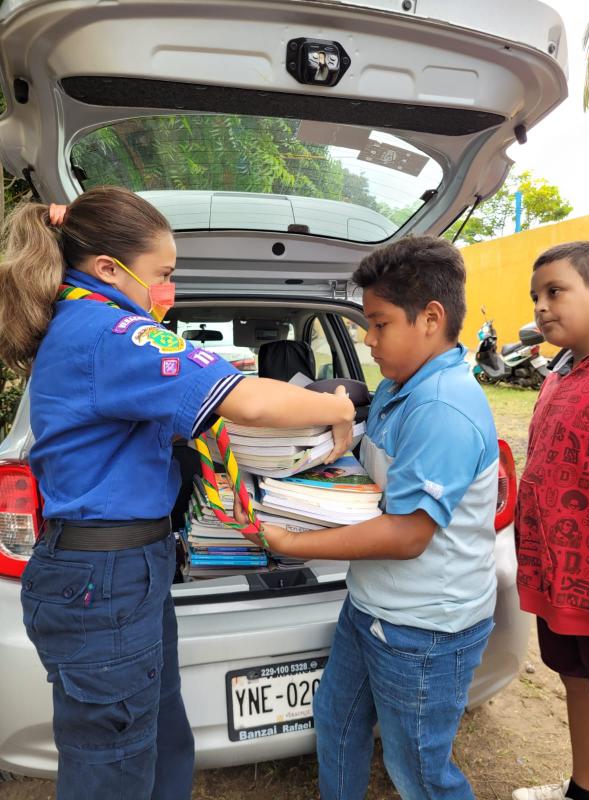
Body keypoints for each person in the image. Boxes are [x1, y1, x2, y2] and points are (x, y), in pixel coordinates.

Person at [0, 186, 355, 800]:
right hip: (105, 578)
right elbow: (248, 400)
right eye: (163, 274)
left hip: (122, 571)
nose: (169, 288)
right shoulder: (114, 332)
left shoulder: (86, 324)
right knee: (113, 765)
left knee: (158, 736)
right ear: (108, 269)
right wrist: (337, 406)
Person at [237, 235, 500, 799]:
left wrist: (292, 542)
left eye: (379, 325)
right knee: (337, 722)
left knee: (420, 774)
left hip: (424, 630)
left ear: (431, 319)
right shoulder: (401, 387)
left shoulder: (442, 408)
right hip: (371, 606)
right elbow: (371, 471)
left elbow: (407, 535)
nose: (369, 339)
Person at [512, 242, 589, 800]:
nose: (542, 306)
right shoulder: (559, 373)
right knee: (577, 681)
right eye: (536, 296)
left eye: (556, 291)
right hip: (561, 579)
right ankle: (585, 787)